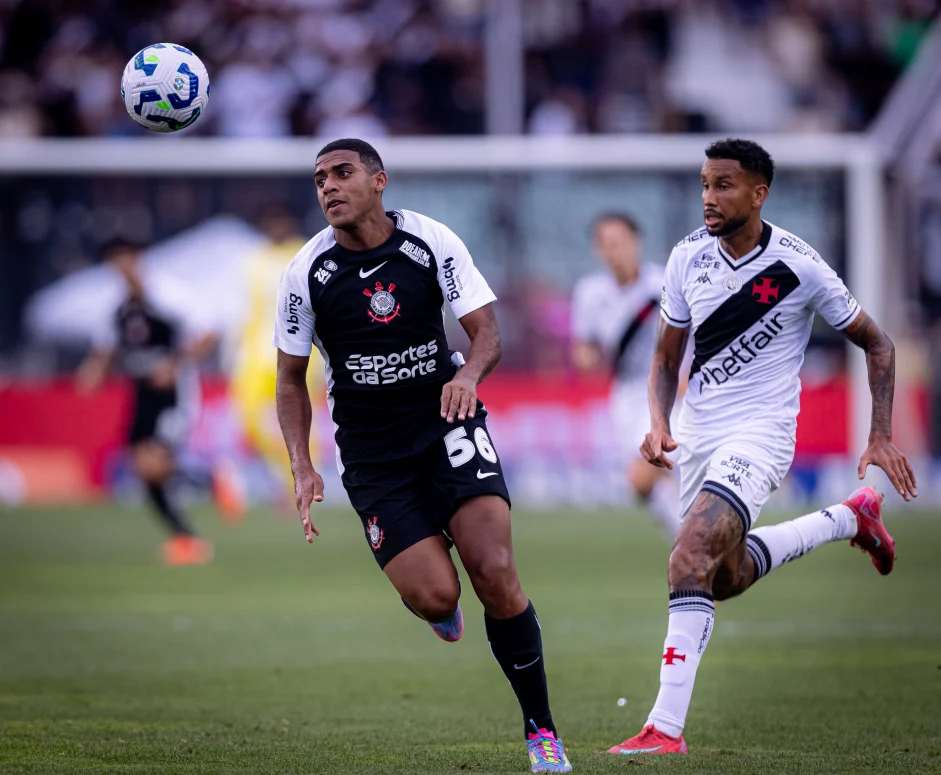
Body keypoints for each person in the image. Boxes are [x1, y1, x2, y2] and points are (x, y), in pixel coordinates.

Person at [605, 138, 917, 756]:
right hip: (697, 436)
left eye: (723, 186)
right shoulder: (686, 258)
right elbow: (668, 354)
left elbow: (878, 344)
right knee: (718, 579)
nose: (709, 199)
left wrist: (880, 433)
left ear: (758, 193)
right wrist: (660, 421)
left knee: (687, 555)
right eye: (703, 185)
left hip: (762, 435)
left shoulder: (799, 267)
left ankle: (663, 728)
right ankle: (847, 517)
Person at [273, 138, 572, 774]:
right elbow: (288, 378)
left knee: (494, 571)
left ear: (379, 181)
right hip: (373, 455)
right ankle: (440, 606)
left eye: (343, 173)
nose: (329, 186)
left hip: (447, 423)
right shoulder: (306, 272)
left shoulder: (430, 242)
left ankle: (541, 731)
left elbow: (487, 332)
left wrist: (467, 378)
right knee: (437, 596)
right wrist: (301, 464)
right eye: (320, 178)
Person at [77, 239, 234, 566]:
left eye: (127, 259)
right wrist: (93, 370)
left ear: (139, 260)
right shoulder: (119, 308)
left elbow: (208, 333)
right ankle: (188, 531)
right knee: (141, 467)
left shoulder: (168, 295)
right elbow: (105, 349)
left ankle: (203, 497)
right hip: (142, 394)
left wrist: (175, 365)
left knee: (154, 464)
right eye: (115, 262)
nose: (122, 268)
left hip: (174, 392)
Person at [571, 212, 682, 535]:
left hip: (674, 388)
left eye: (619, 242)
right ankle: (693, 543)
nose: (613, 250)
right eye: (605, 244)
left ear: (636, 242)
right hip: (629, 394)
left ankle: (692, 546)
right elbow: (583, 348)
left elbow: (693, 335)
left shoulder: (661, 284)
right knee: (647, 481)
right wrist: (588, 360)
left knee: (645, 474)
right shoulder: (590, 293)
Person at [230, 202, 320, 505]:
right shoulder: (254, 260)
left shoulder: (306, 253)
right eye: (271, 222)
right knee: (250, 421)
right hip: (258, 353)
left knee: (302, 417)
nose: (275, 227)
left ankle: (303, 481)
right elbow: (249, 310)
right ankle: (287, 476)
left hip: (300, 351)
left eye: (280, 221)